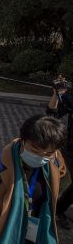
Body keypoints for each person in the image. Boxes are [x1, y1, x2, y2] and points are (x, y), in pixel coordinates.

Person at [0, 115, 67, 244]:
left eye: (48, 153)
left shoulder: (55, 159)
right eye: (34, 150)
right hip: (0, 232)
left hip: (36, 232)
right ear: (22, 140)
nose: (41, 156)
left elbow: (61, 175)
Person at [46, 75, 73, 229]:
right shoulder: (70, 96)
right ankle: (57, 210)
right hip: (71, 147)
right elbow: (52, 113)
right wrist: (57, 93)